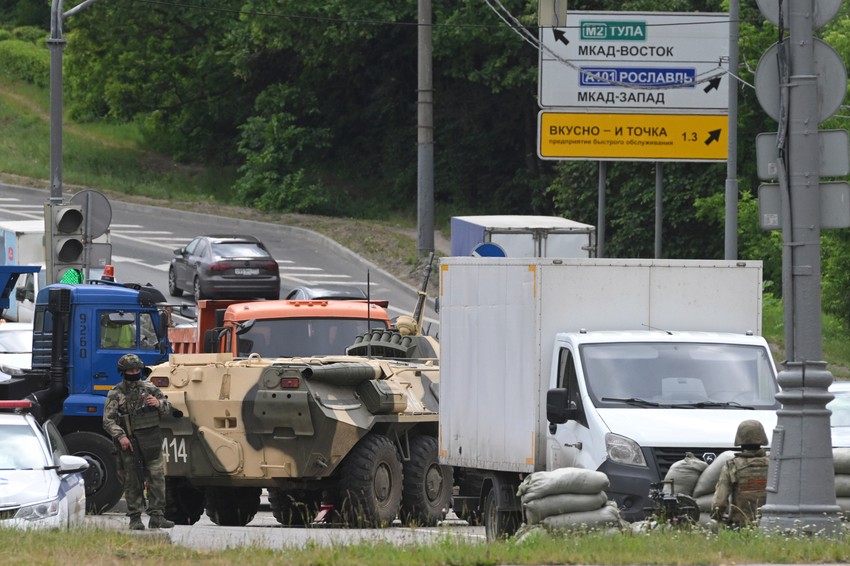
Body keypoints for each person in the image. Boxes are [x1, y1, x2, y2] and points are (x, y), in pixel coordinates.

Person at [102, 354, 175, 530]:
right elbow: (108, 420)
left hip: (151, 440)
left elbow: (168, 409)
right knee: (132, 480)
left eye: (136, 370)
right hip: (130, 443)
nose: (134, 373)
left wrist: (158, 403)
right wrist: (121, 436)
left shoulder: (150, 388)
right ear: (123, 372)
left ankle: (157, 516)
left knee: (157, 478)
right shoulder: (116, 393)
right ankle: (135, 518)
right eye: (130, 370)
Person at [711, 419, 770, 527]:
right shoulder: (774, 465)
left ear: (739, 440)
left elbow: (719, 502)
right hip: (770, 524)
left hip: (740, 525)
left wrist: (717, 517)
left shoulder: (732, 465)